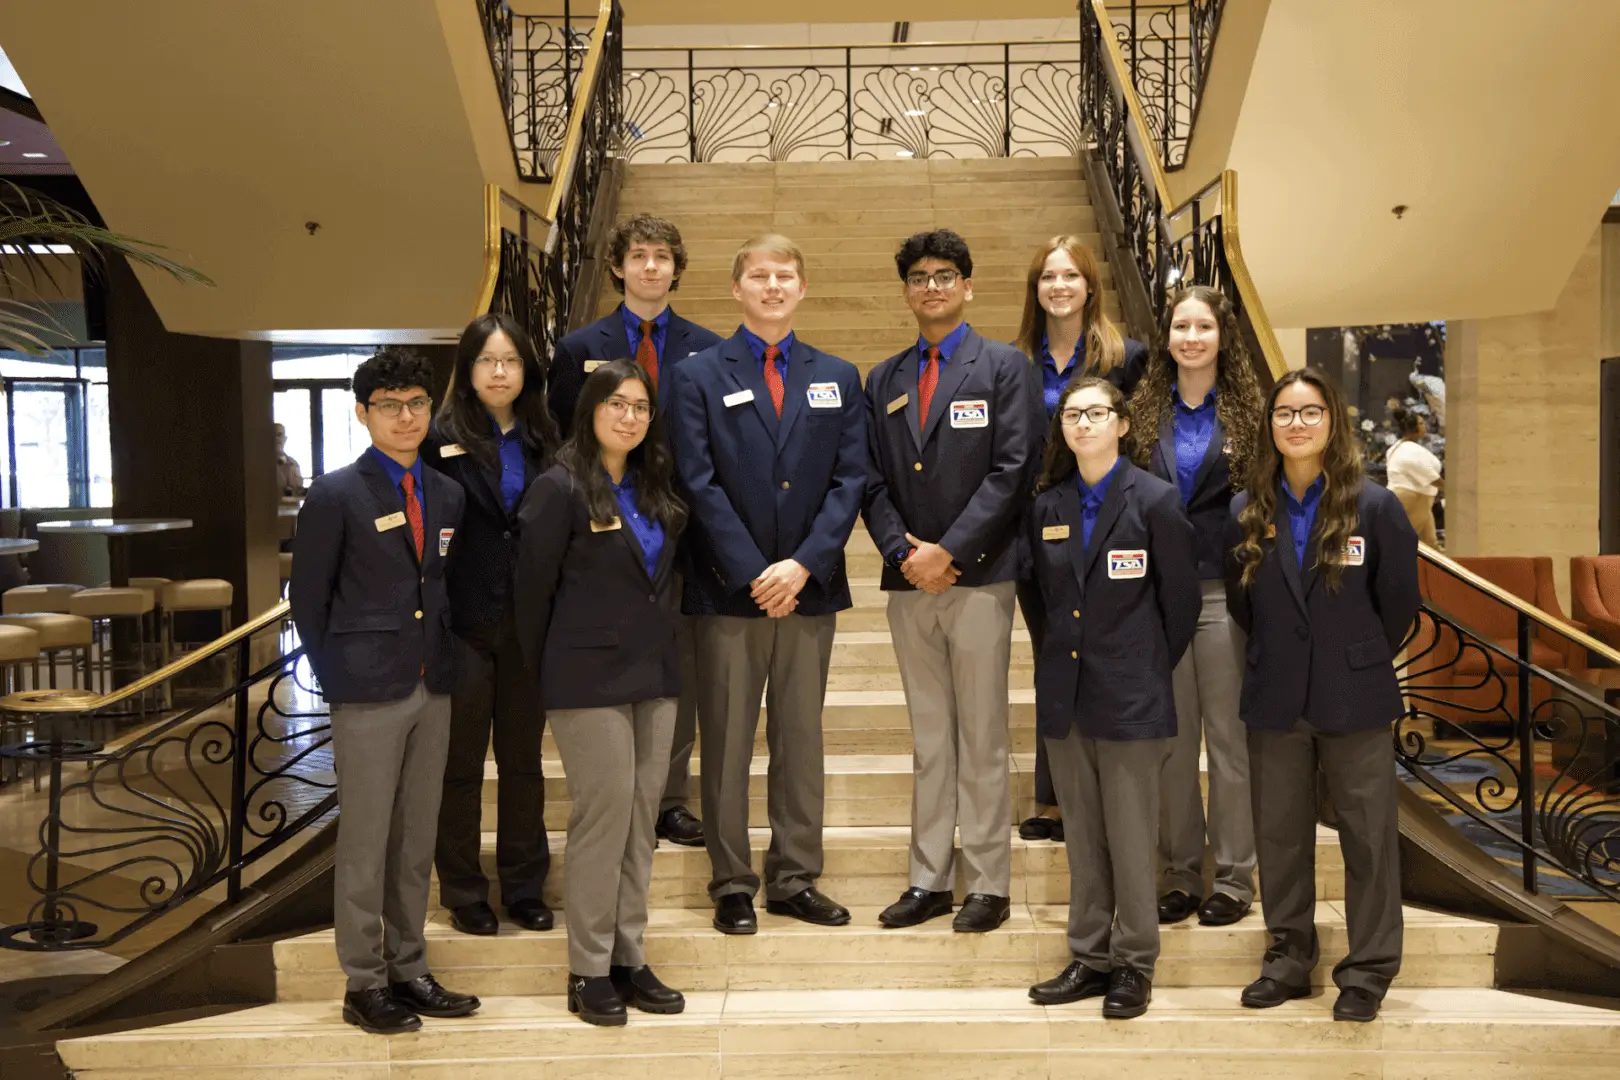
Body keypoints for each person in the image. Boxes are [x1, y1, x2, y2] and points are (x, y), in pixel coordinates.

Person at [666, 233, 867, 936]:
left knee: (800, 738)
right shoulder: (695, 375)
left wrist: (803, 563)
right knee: (724, 742)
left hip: (809, 588)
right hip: (728, 590)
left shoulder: (838, 376)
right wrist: (755, 570)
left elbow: (850, 481)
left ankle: (793, 877)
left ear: (803, 288)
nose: (773, 286)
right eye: (759, 275)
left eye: (785, 275)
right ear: (737, 289)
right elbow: (697, 480)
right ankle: (731, 881)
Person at [289, 347, 478, 1035]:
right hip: (367, 690)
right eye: (391, 406)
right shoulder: (337, 493)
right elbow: (307, 599)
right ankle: (363, 981)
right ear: (363, 413)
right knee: (366, 841)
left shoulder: (448, 492)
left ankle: (410, 967)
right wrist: (340, 676)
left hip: (433, 682)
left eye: (418, 404)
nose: (406, 417)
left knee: (415, 838)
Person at [862, 229, 1045, 933]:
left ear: (968, 285)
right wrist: (903, 552)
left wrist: (952, 552)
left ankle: (990, 884)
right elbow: (871, 479)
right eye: (918, 276)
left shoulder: (1003, 367)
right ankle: (928, 878)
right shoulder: (883, 379)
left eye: (945, 275)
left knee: (983, 733)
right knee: (931, 736)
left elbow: (1014, 470)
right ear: (906, 290)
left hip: (980, 577)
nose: (931, 286)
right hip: (909, 582)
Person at [1225, 367, 1419, 1023]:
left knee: (1368, 839)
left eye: (1310, 412)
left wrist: (1350, 654)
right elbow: (1242, 604)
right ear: (1270, 425)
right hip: (1276, 693)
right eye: (1284, 413)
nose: (1297, 424)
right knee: (1279, 838)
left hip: (1354, 692)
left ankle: (1366, 972)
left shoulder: (1377, 506)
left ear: (1331, 421)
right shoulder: (1247, 510)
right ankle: (1287, 960)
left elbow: (1399, 605)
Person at [515, 360, 689, 1027]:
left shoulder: (653, 485)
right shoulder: (556, 490)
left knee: (641, 822)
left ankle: (627, 956)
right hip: (585, 681)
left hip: (657, 675)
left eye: (641, 407)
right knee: (603, 818)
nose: (629, 417)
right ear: (589, 409)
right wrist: (545, 680)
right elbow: (530, 602)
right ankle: (587, 968)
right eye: (616, 404)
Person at [1025, 377, 1198, 1020]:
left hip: (1132, 696)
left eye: (1097, 413)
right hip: (1067, 697)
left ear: (1122, 425)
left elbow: (1178, 607)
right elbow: (1042, 604)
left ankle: (1133, 963)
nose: (1084, 424)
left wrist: (1142, 664)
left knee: (1130, 838)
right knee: (1084, 839)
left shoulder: (1155, 500)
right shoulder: (1049, 505)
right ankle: (1089, 956)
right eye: (1072, 414)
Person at [551, 213, 724, 849]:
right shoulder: (577, 348)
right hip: (603, 527)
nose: (651, 267)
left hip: (683, 526)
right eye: (639, 256)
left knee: (674, 665)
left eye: (662, 257)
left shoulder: (709, 347)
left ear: (677, 268)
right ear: (619, 266)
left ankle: (667, 796)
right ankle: (612, 786)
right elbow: (565, 442)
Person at [1128, 285, 1266, 929]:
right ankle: (1182, 872)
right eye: (1179, 325)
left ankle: (1235, 877)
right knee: (1172, 745)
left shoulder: (1249, 413)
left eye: (1202, 326)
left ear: (1221, 336)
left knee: (1229, 744)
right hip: (1154, 600)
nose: (1189, 337)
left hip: (1221, 595)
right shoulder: (1142, 409)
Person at [423, 313, 560, 937]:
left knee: (523, 762)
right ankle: (463, 888)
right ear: (468, 369)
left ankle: (526, 884)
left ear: (525, 370)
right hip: (462, 626)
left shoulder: (548, 437)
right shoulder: (438, 438)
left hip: (530, 628)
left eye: (510, 361)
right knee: (460, 765)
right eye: (487, 361)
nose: (499, 372)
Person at [1013, 235, 1150, 843]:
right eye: (1047, 276)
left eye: (1070, 275)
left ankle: (1105, 790)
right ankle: (1055, 797)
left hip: (1110, 525)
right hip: (1039, 532)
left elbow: (1141, 443)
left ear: (1090, 285)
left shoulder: (1129, 357)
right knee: (1054, 656)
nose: (1059, 286)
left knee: (1104, 656)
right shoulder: (1014, 361)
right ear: (1035, 289)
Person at [1384, 405, 1442, 547]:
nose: (1425, 426)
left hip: (1412, 496)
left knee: (1429, 542)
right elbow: (1432, 478)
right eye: (1421, 423)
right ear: (1413, 427)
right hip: (1413, 497)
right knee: (1404, 542)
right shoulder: (1411, 450)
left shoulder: (1397, 447)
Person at [275, 423, 305, 496]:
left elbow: (298, 489)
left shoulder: (293, 464)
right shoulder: (260, 465)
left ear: (285, 439)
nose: (276, 438)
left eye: (279, 435)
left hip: (291, 506)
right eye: (272, 435)